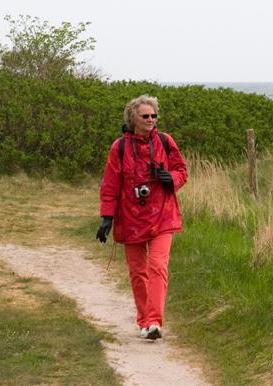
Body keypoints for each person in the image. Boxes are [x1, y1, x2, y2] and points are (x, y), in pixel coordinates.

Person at [96, 95, 188, 341]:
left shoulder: (165, 141)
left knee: (158, 266)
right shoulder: (120, 147)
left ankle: (154, 322)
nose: (150, 120)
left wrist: (172, 179)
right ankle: (144, 320)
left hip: (163, 216)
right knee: (138, 272)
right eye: (145, 116)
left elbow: (181, 170)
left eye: (153, 116)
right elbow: (111, 184)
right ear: (132, 118)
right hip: (131, 217)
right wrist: (107, 217)